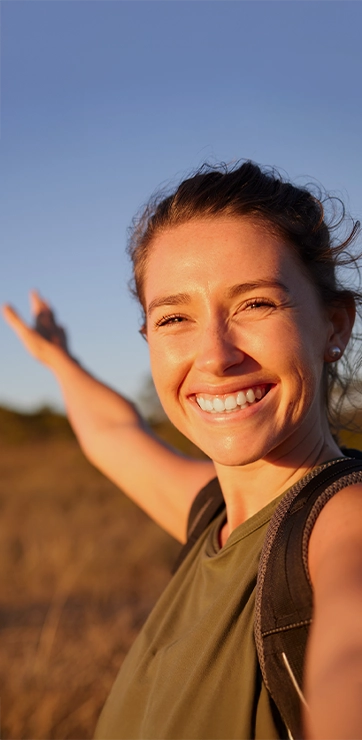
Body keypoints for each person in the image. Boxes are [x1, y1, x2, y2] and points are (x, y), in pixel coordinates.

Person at [3, 160, 362, 740]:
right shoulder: (214, 516)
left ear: (334, 326)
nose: (215, 355)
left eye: (255, 304)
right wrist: (58, 362)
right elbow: (115, 436)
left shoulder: (343, 525)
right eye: (174, 317)